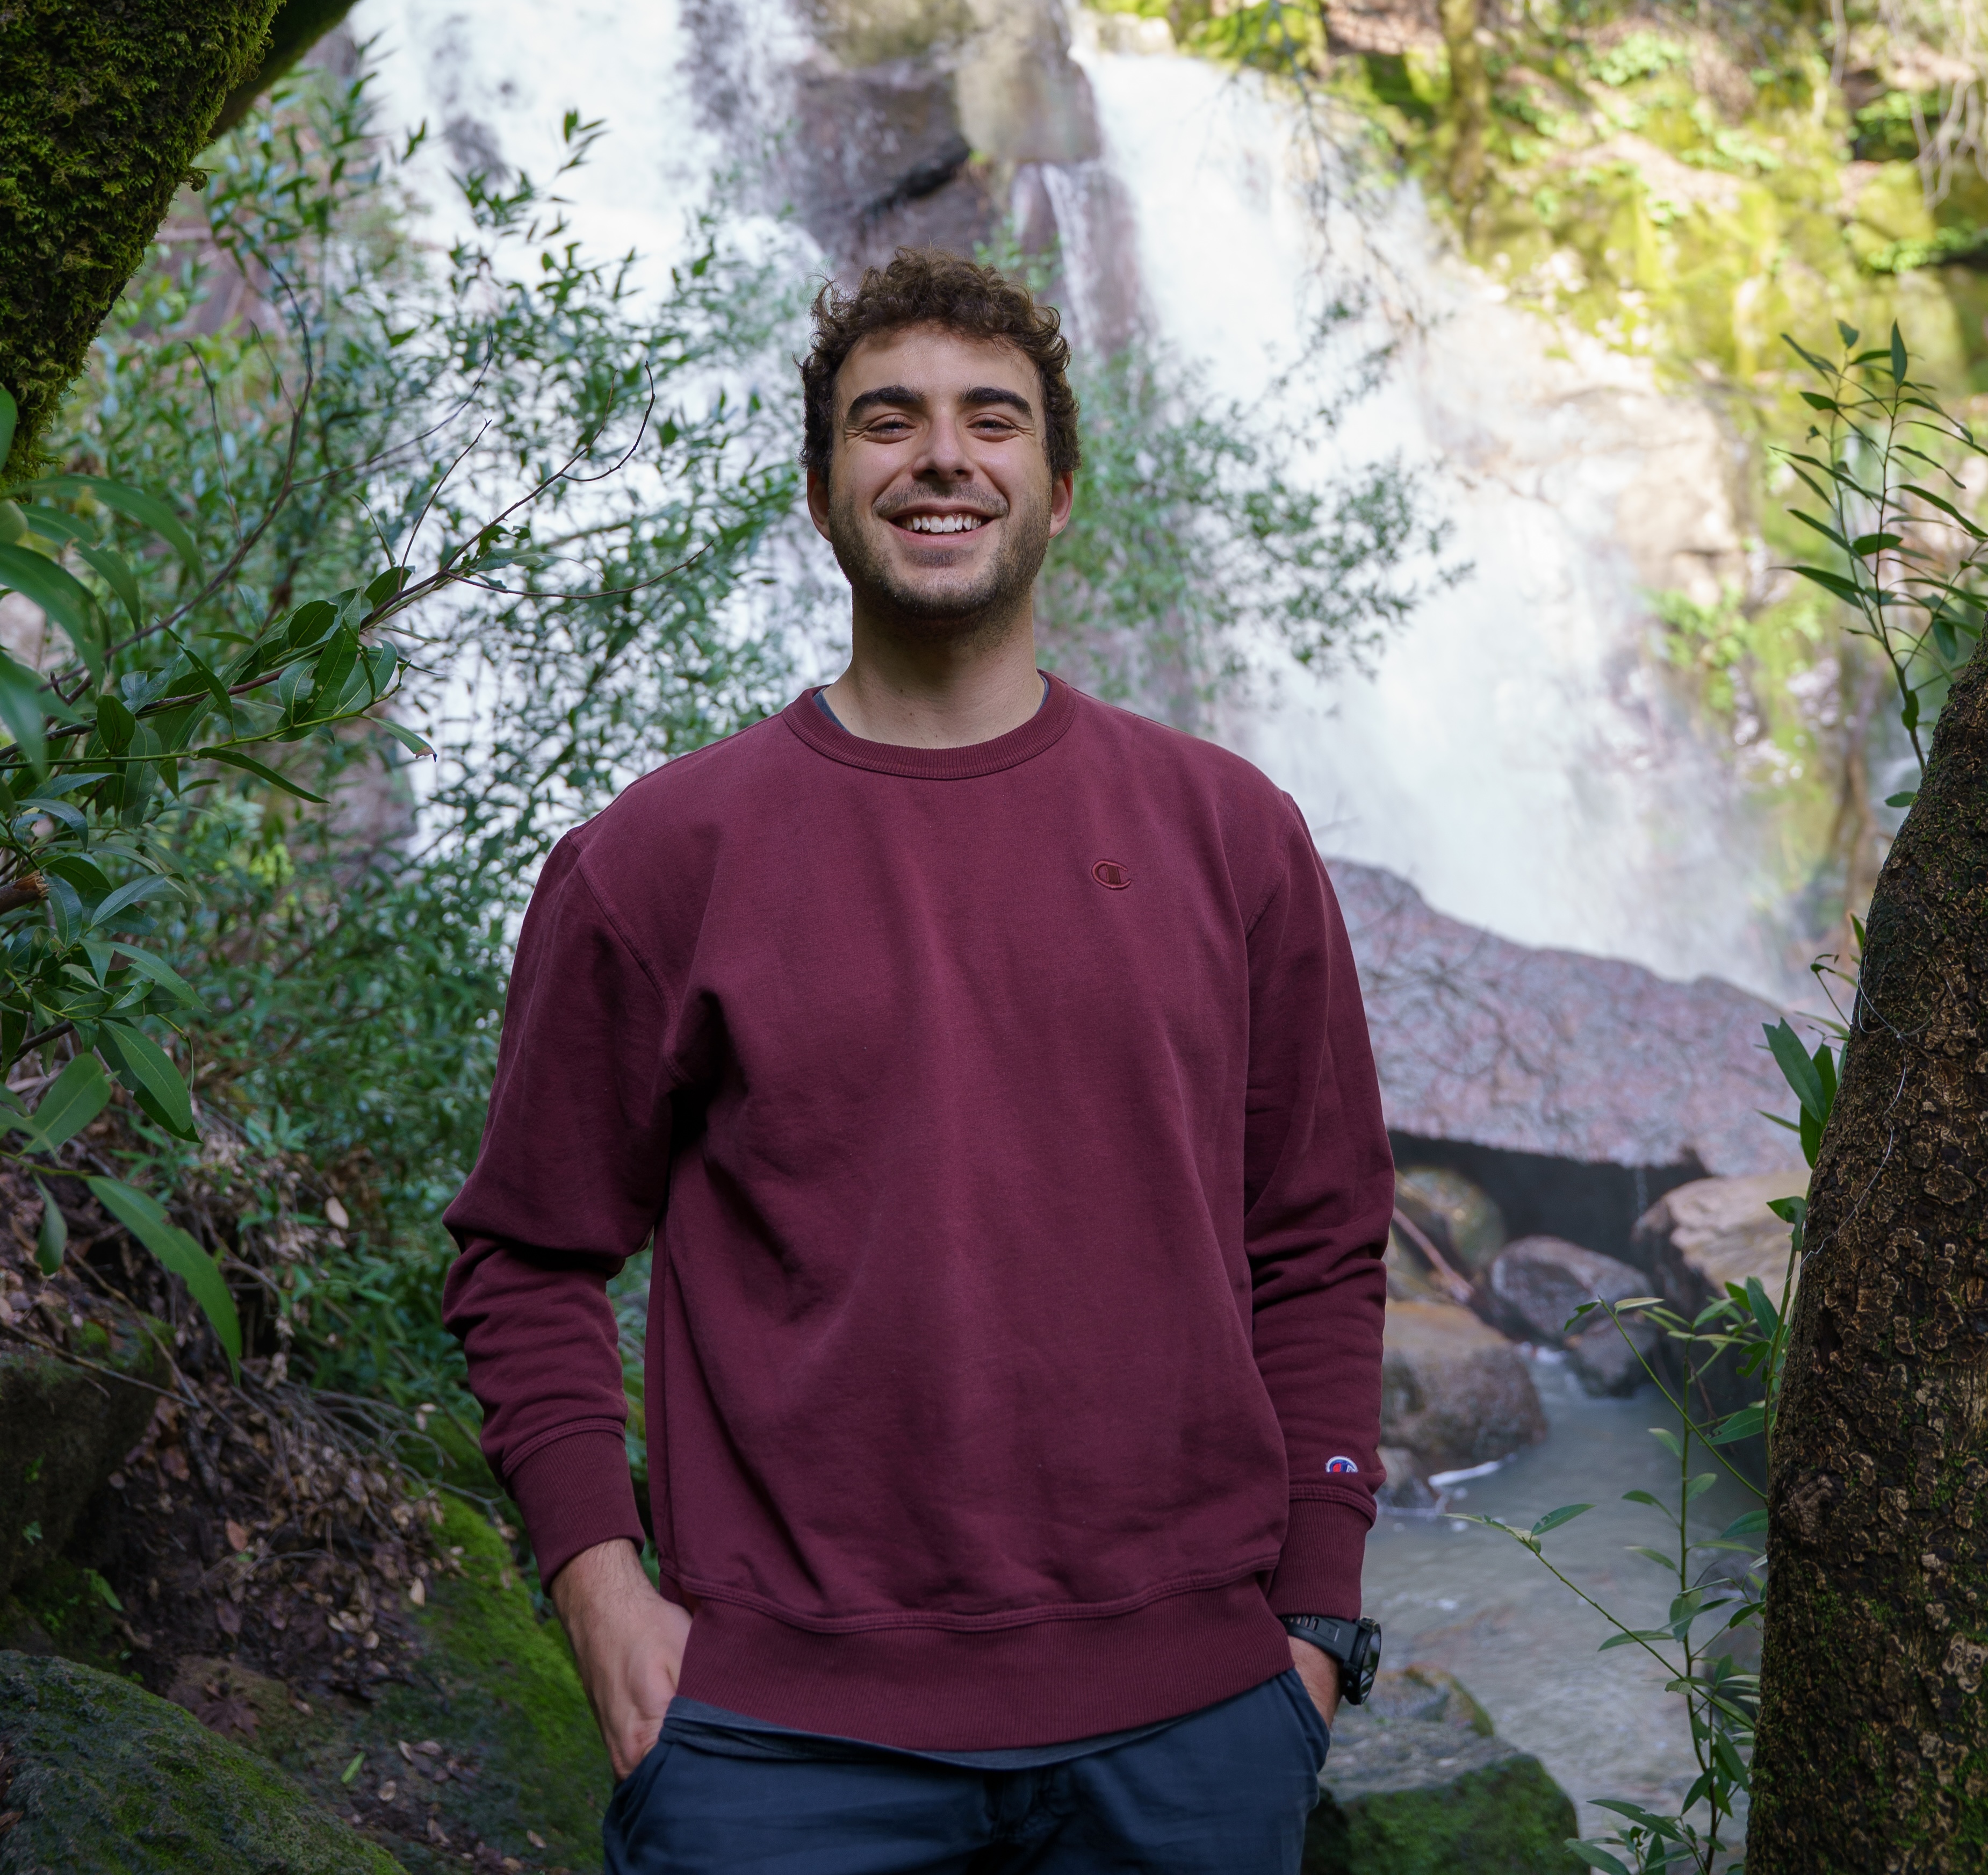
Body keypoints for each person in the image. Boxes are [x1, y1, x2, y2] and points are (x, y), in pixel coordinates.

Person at [441, 247, 1392, 1874]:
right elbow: (526, 1253)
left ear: (1060, 486)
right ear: (822, 492)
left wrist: (1313, 1616)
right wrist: (600, 1585)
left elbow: (1317, 1237)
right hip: (775, 1748)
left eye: (991, 419)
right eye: (890, 420)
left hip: (1193, 1733)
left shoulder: (1231, 834)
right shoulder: (664, 858)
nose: (942, 454)